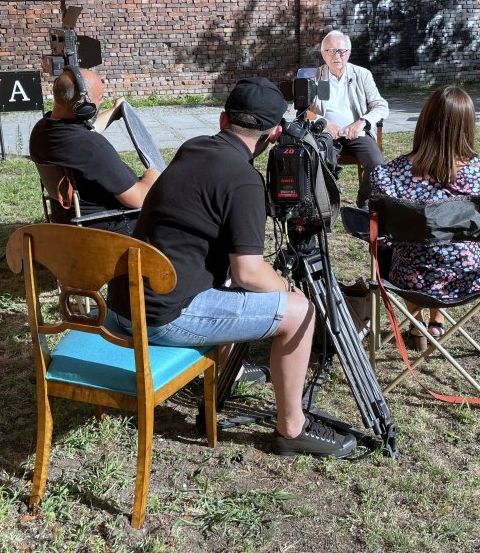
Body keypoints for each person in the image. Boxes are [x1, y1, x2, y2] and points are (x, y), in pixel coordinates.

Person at [109, 77, 356, 458]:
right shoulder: (243, 179)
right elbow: (248, 272)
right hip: (159, 318)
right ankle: (293, 428)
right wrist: (290, 292)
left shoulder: (192, 148)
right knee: (300, 313)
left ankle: (228, 372)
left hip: (123, 306)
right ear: (274, 134)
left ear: (223, 119)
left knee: (223, 274)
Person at [369, 86, 480, 347]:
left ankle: (418, 324)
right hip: (469, 278)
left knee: (410, 250)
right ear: (467, 126)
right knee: (453, 248)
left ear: (424, 122)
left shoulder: (393, 175)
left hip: (408, 279)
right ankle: (437, 322)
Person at [29, 67, 159, 235]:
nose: (102, 102)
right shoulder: (91, 147)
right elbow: (138, 199)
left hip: (68, 221)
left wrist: (115, 110)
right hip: (111, 229)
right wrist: (151, 177)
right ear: (84, 108)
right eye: (99, 98)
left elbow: (87, 131)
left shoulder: (42, 130)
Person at [312, 30, 388, 207]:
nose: (337, 56)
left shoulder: (362, 75)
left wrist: (362, 122)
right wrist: (325, 124)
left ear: (349, 53)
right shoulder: (314, 77)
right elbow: (305, 112)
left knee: (377, 164)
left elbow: (381, 106)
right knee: (317, 159)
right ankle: (326, 204)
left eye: (342, 51)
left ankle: (363, 202)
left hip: (357, 134)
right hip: (327, 135)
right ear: (323, 54)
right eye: (331, 51)